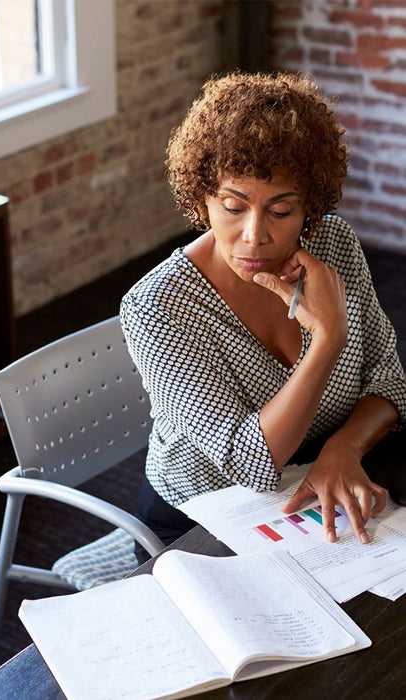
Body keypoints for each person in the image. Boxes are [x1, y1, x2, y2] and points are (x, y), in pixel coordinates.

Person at [120, 71, 406, 562]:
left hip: (326, 470)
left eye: (280, 210)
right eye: (233, 207)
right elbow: (252, 461)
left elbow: (390, 380)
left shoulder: (334, 244)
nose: (254, 235)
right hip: (206, 515)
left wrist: (344, 447)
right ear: (202, 199)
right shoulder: (158, 307)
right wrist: (328, 338)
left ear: (309, 209)